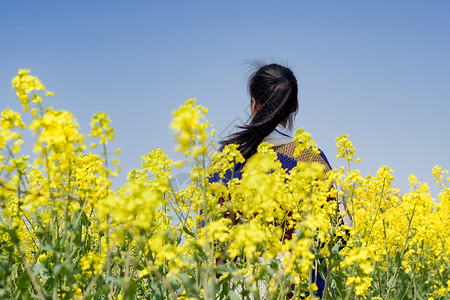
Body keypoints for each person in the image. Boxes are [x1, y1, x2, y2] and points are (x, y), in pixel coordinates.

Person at [211, 62, 346, 298]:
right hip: (301, 290)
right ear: (294, 106)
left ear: (254, 103)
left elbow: (212, 242)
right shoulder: (310, 158)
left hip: (242, 291)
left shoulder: (226, 159)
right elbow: (339, 235)